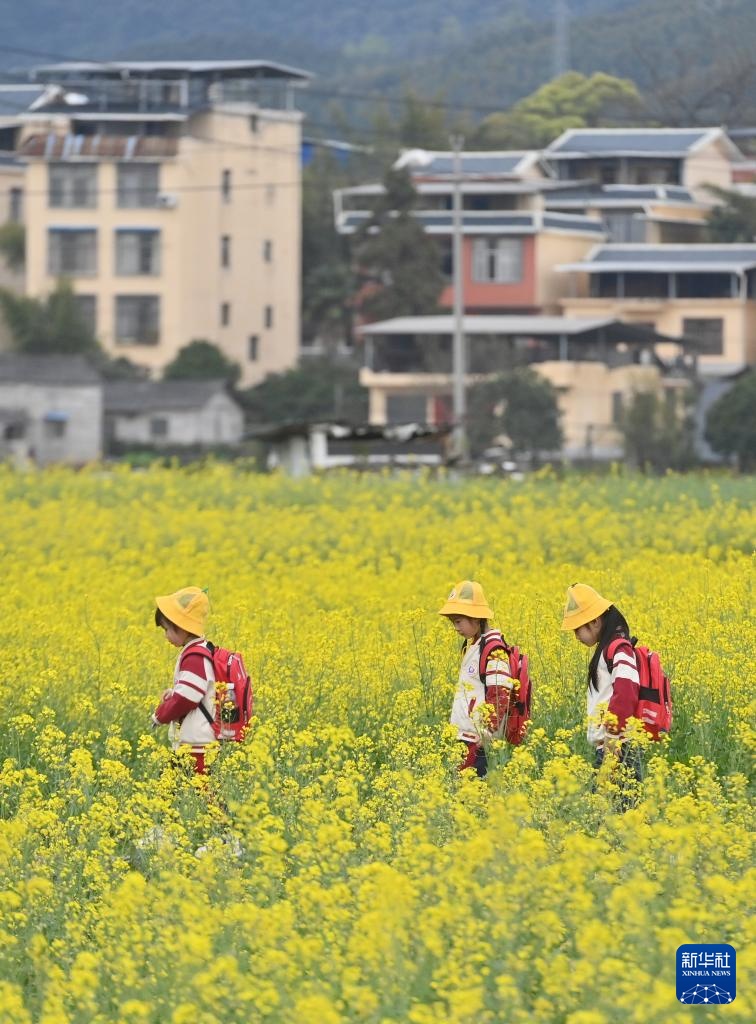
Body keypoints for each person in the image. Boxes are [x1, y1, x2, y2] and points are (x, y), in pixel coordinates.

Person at [561, 582, 643, 803]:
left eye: (577, 628)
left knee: (617, 818)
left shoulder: (618, 648)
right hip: (613, 746)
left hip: (618, 748)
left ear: (595, 621)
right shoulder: (610, 648)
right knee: (609, 816)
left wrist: (612, 739)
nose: (576, 635)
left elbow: (626, 691)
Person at [439, 580, 514, 777]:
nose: (456, 627)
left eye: (458, 621)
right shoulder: (473, 645)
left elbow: (500, 692)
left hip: (480, 742)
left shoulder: (492, 649)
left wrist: (488, 732)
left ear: (476, 618)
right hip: (467, 738)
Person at [152, 586, 217, 775]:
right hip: (196, 743)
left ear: (180, 626)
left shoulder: (195, 656)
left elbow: (187, 698)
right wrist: (174, 693)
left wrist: (160, 715)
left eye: (166, 629)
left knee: (202, 798)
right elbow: (196, 690)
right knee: (176, 795)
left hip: (197, 746)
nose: (166, 636)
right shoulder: (201, 650)